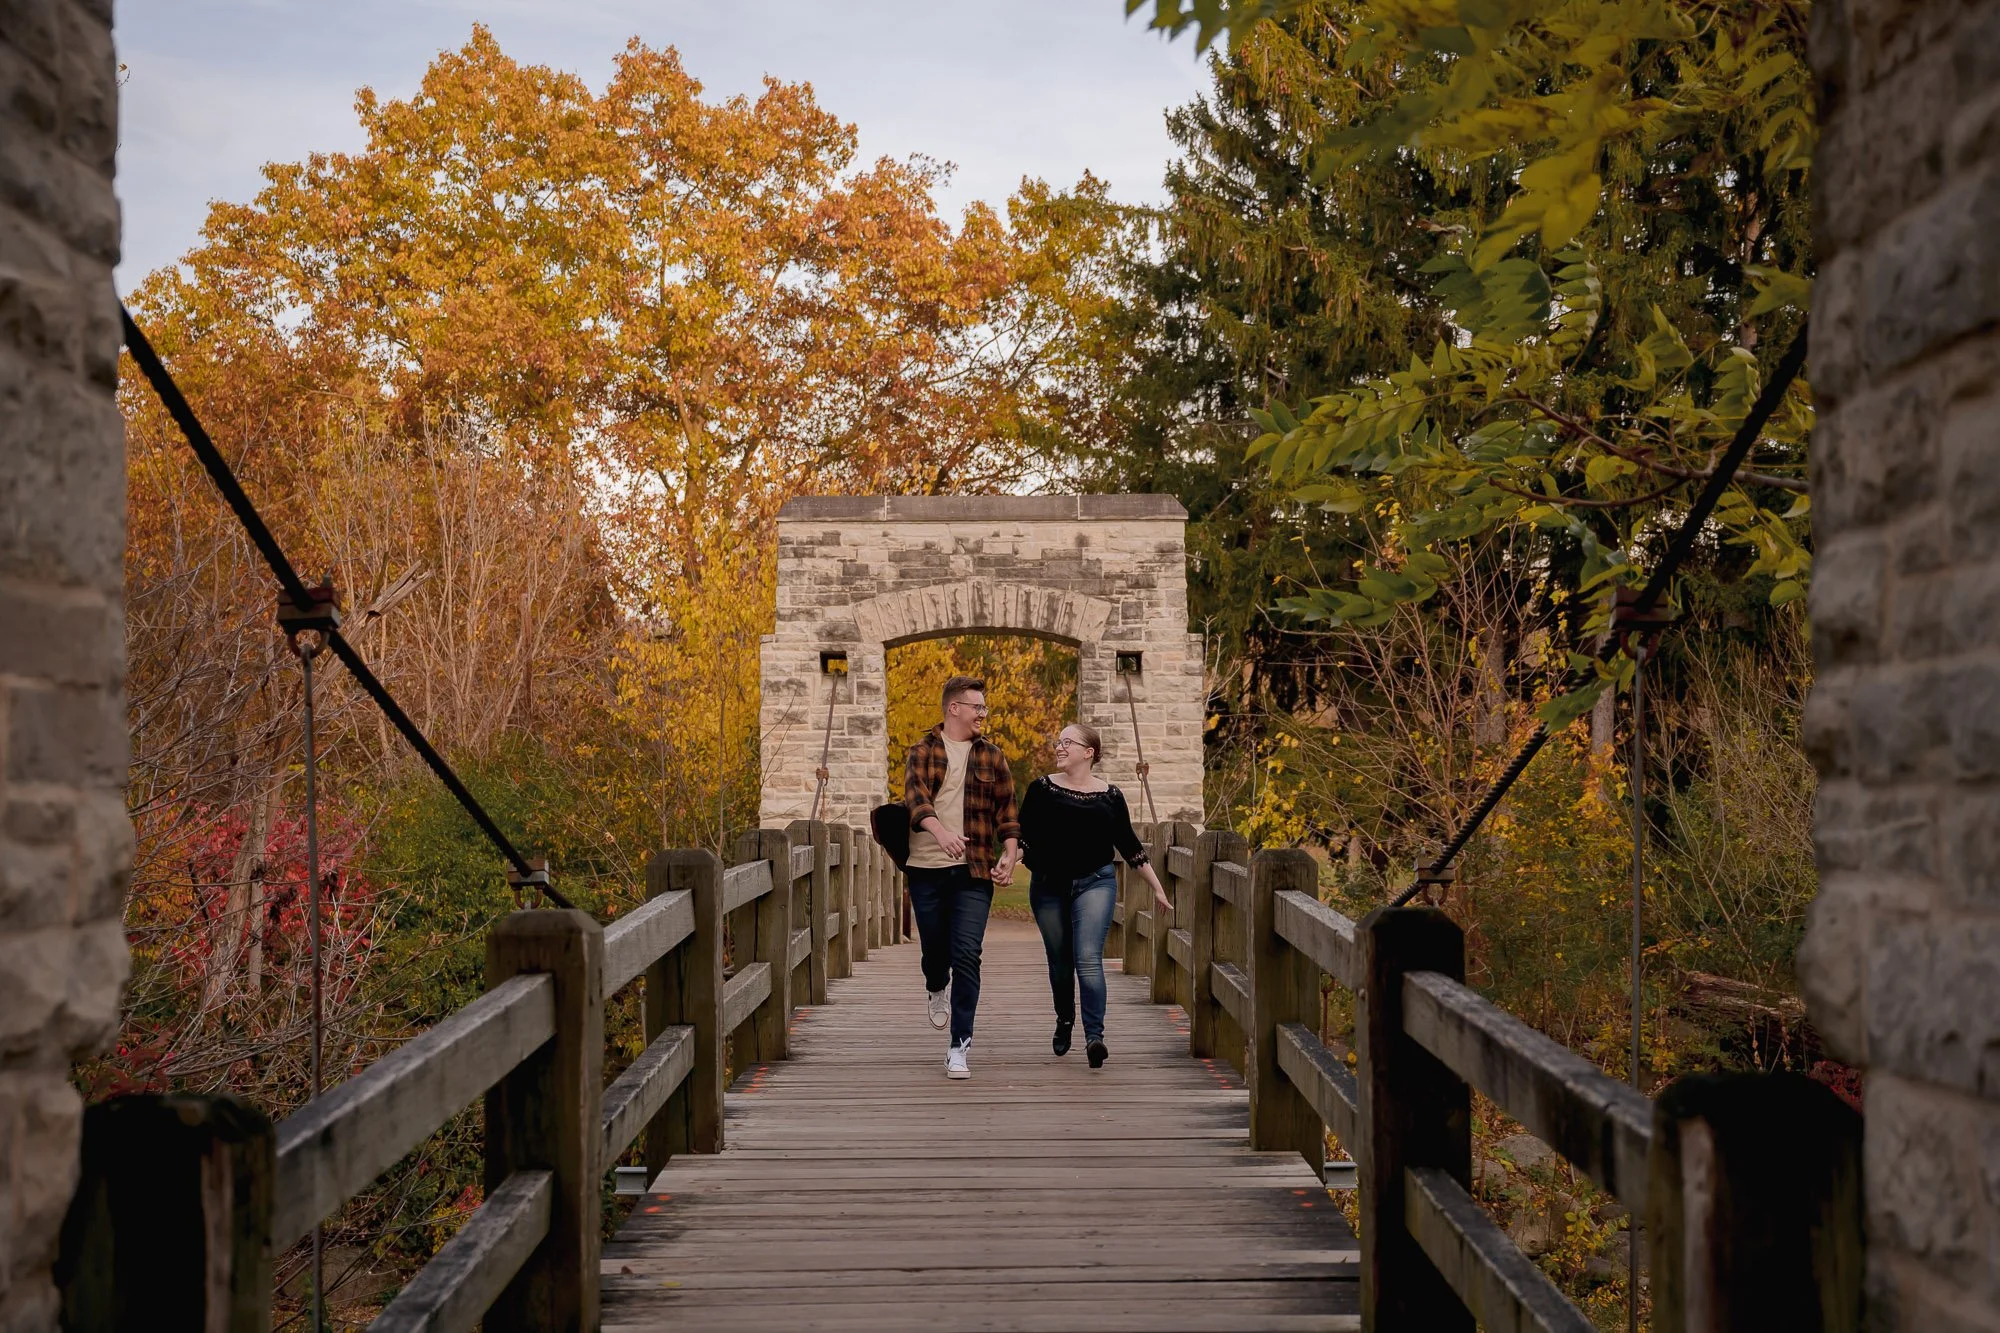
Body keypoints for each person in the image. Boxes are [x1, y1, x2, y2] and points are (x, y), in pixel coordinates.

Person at [1015, 722, 1171, 1069]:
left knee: (1087, 958)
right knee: (1060, 962)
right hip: (1049, 885)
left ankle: (1094, 1037)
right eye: (1058, 741)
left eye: (1067, 742)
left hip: (1095, 883)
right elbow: (1024, 838)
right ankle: (1065, 1018)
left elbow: (1129, 845)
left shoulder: (1110, 796)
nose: (1059, 747)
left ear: (1089, 752)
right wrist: (1007, 863)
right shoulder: (1041, 789)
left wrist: (1157, 887)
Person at [902, 675, 1020, 1080]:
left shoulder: (993, 756)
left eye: (983, 707)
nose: (983, 714)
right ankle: (936, 985)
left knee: (967, 953)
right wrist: (941, 833)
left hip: (974, 871)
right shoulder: (921, 752)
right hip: (926, 868)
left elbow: (1007, 811)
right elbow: (916, 801)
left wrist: (1010, 853)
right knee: (936, 950)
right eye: (977, 707)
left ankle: (959, 1045)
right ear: (954, 708)